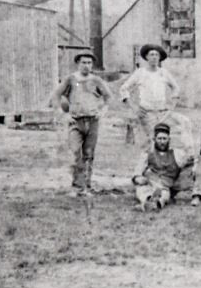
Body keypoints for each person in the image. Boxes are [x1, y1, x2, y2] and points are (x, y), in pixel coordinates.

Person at [51, 52, 113, 196]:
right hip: (75, 121)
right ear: (78, 64)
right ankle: (76, 186)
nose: (86, 66)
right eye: (83, 62)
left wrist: (103, 111)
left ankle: (86, 186)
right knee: (74, 153)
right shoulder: (71, 79)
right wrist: (62, 114)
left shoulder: (97, 80)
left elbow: (108, 97)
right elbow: (56, 95)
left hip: (92, 121)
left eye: (89, 63)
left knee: (89, 154)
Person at [119, 43, 181, 148]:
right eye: (151, 55)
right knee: (149, 144)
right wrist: (134, 107)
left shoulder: (164, 73)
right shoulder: (140, 73)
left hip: (162, 113)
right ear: (146, 57)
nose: (154, 57)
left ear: (160, 58)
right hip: (146, 114)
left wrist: (172, 106)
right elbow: (124, 89)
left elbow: (176, 88)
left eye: (157, 55)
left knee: (163, 142)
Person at [132, 122, 194, 210]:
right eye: (159, 139)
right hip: (149, 182)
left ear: (169, 139)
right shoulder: (148, 154)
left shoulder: (177, 154)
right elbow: (138, 168)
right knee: (141, 190)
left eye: (164, 139)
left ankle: (155, 203)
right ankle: (148, 200)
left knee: (164, 194)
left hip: (165, 185)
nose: (162, 142)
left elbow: (190, 160)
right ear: (154, 139)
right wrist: (137, 177)